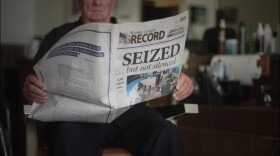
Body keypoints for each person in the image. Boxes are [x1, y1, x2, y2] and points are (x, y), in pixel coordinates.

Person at [23, 0, 194, 156]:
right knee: (66, 135)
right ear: (78, 2)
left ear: (114, 2)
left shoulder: (133, 34)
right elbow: (33, 80)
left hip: (130, 117)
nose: (97, 2)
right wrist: (30, 87)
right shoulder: (57, 35)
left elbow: (161, 75)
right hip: (77, 120)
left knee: (167, 133)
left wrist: (180, 80)